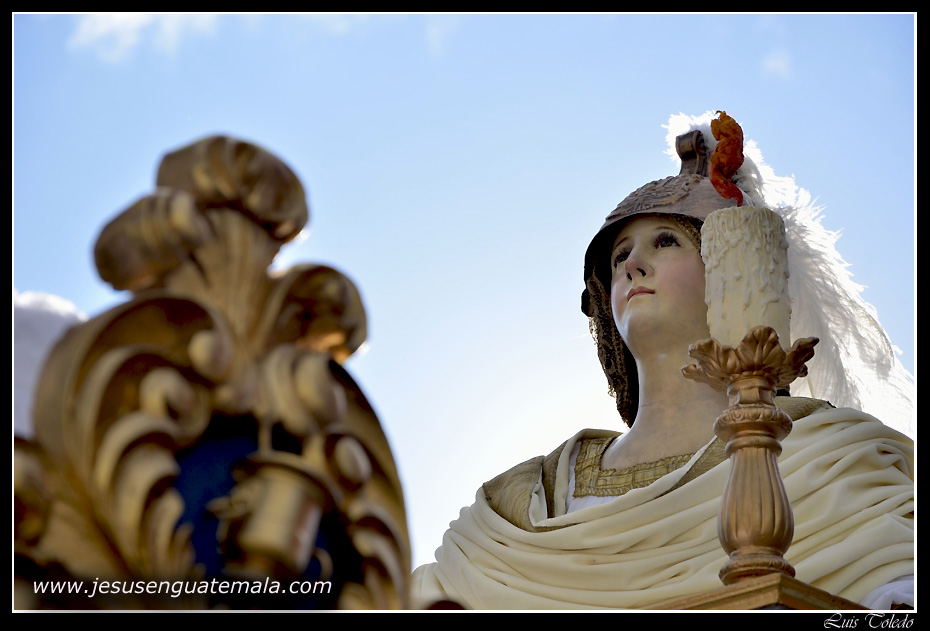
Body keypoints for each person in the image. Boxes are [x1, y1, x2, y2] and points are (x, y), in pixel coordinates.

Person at [410, 112, 914, 610]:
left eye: (666, 241)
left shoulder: (830, 459)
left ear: (731, 266)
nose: (632, 264)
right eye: (619, 257)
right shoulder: (517, 510)